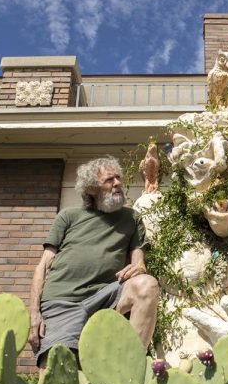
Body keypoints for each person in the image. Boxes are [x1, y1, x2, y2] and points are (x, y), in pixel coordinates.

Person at [28, 156, 159, 370]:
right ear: (91, 189)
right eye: (109, 180)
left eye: (118, 178)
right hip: (63, 301)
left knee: (147, 284)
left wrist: (140, 267)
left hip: (106, 297)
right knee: (54, 375)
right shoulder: (68, 216)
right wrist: (34, 313)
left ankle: (129, 373)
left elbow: (138, 261)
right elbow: (42, 266)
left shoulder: (132, 218)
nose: (118, 183)